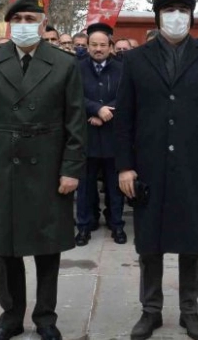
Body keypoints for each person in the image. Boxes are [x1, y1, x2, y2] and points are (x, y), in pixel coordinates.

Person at [0, 0, 86, 340]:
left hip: (48, 166)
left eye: (30, 21)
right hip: (4, 165)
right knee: (8, 246)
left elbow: (75, 123)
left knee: (48, 247)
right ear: (8, 25)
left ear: (43, 24)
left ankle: (46, 317)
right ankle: (11, 317)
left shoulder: (64, 64)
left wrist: (71, 168)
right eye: (17, 21)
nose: (23, 27)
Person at [115, 0, 198, 340]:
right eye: (169, 10)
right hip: (148, 165)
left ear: (191, 16)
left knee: (192, 240)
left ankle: (189, 310)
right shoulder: (136, 59)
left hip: (194, 167)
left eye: (183, 10)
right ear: (158, 16)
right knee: (149, 242)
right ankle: (150, 310)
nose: (176, 16)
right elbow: (125, 118)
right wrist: (125, 166)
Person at [75, 22, 126, 246]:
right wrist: (96, 109)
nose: (98, 49)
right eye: (93, 44)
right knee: (85, 187)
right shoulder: (77, 68)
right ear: (87, 46)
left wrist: (107, 111)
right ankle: (84, 226)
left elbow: (127, 97)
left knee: (115, 187)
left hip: (113, 136)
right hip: (87, 135)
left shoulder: (122, 69)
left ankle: (116, 224)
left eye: (102, 45)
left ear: (110, 46)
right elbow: (73, 97)